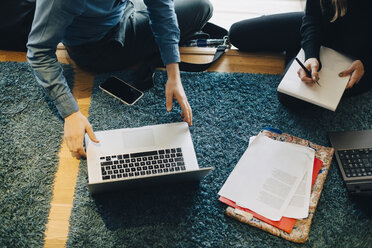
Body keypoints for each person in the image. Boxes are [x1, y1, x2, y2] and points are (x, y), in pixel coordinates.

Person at [26, 0, 213, 157]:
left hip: (121, 11)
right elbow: (39, 51)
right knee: (201, 9)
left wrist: (174, 73)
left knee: (200, 6)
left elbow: (160, 6)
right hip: (98, 46)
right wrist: (70, 113)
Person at [228, 0, 371, 108]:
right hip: (325, 28)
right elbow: (312, 17)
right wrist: (311, 55)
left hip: (357, 52)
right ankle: (302, 46)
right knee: (237, 33)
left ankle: (299, 48)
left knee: (288, 96)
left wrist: (366, 62)